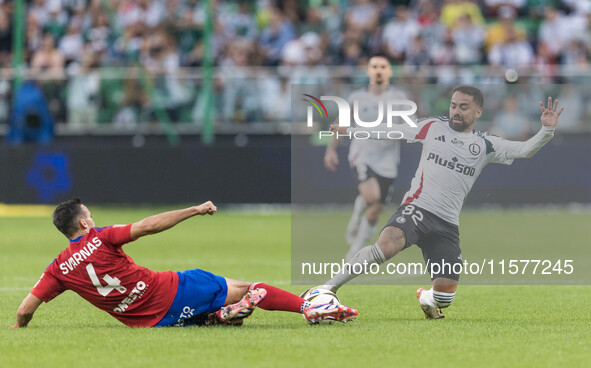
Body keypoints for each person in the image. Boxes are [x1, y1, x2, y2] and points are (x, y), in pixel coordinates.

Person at [319, 86, 563, 319]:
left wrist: (546, 131)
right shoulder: (432, 127)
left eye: (464, 107)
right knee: (388, 243)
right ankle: (326, 289)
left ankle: (426, 298)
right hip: (417, 208)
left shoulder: (486, 144)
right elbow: (391, 130)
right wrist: (350, 130)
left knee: (444, 298)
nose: (456, 111)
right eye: (453, 105)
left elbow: (524, 150)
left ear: (478, 112)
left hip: (447, 223)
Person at [12, 199, 358, 328]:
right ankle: (308, 307)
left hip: (147, 322)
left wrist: (19, 328)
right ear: (85, 223)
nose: (93, 218)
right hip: (170, 291)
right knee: (249, 288)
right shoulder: (100, 236)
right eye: (90, 215)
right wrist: (194, 210)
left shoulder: (58, 268)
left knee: (220, 306)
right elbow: (147, 226)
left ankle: (216, 316)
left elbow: (25, 310)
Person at [324, 54, 408, 261]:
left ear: (389, 71)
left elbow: (412, 127)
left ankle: (356, 246)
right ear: (368, 71)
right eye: (374, 66)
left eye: (383, 66)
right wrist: (330, 149)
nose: (378, 70)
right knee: (373, 197)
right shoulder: (357, 98)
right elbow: (341, 122)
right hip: (363, 155)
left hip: (388, 160)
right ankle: (354, 246)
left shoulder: (400, 98)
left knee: (376, 210)